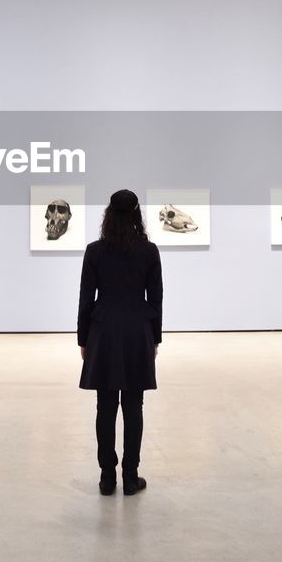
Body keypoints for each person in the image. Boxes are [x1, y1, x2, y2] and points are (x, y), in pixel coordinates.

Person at [77, 189, 163, 497]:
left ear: (108, 215)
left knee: (105, 405)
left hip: (104, 332)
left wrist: (83, 339)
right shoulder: (149, 252)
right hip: (137, 331)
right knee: (133, 405)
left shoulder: (95, 251)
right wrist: (155, 338)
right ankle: (130, 476)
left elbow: (86, 299)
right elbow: (155, 299)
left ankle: (106, 477)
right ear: (137, 215)